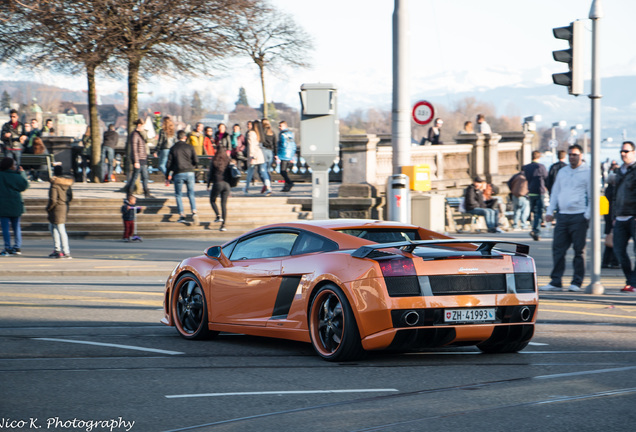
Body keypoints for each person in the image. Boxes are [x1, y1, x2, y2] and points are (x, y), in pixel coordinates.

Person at [540, 144, 590, 292]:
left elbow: (593, 195)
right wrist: (550, 211)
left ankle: (577, 281)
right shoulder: (563, 171)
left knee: (578, 250)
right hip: (563, 215)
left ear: (581, 155)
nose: (572, 157)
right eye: (570, 154)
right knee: (558, 249)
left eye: (575, 154)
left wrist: (587, 215)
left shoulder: (588, 172)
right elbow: (555, 193)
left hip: (579, 215)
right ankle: (556, 281)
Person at [611, 141, 636, 293]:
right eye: (621, 151)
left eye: (626, 151)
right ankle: (630, 280)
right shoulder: (620, 171)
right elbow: (614, 195)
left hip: (634, 216)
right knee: (619, 251)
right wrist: (614, 215)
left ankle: (633, 282)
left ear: (634, 152)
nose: (623, 154)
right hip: (620, 217)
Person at [166, 130, 198, 223]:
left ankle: (182, 214)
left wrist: (167, 175)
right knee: (191, 193)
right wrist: (191, 167)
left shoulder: (173, 148)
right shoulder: (190, 147)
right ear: (185, 137)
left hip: (178, 173)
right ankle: (194, 211)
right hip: (190, 172)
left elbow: (169, 164)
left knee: (178, 195)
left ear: (177, 137)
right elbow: (196, 160)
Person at [0, 157, 29, 256]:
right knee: (16, 227)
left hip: (2, 205)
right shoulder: (16, 176)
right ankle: (17, 247)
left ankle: (7, 247)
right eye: (14, 164)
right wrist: (23, 173)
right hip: (15, 204)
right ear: (11, 166)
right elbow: (24, 186)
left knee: (5, 228)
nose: (16, 166)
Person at [46, 164, 74, 259]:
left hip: (56, 208)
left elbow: (53, 199)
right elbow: (70, 197)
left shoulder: (54, 184)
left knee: (57, 229)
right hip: (64, 207)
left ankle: (63, 250)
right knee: (59, 229)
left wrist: (49, 208)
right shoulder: (67, 184)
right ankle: (62, 250)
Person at [125, 119, 155, 199]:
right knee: (135, 176)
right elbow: (134, 148)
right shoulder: (134, 134)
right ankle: (129, 193)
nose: (144, 127)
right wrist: (136, 161)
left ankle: (146, 193)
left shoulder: (141, 134)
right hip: (138, 159)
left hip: (143, 158)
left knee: (145, 176)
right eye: (143, 125)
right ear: (139, 125)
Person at [523, 150, 548, 241]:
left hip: (531, 190)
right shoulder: (541, 166)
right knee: (539, 211)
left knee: (533, 211)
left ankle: (533, 226)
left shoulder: (526, 167)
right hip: (539, 191)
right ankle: (536, 230)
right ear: (539, 157)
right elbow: (546, 177)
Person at [207, 145, 231, 232]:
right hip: (226, 184)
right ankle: (223, 225)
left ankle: (218, 216)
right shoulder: (228, 160)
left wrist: (208, 184)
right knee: (223, 205)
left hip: (218, 183)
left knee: (212, 200)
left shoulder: (214, 160)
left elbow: (210, 174)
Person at [243, 120, 271, 195]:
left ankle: (246, 188)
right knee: (263, 172)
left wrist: (252, 156)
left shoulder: (251, 133)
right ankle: (268, 187)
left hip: (253, 156)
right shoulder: (259, 133)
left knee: (250, 172)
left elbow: (251, 146)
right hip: (260, 155)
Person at [602, 172, 620, 269]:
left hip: (608, 218)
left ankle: (605, 262)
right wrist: (615, 218)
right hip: (613, 218)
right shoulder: (614, 191)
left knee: (609, 241)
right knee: (615, 241)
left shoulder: (607, 190)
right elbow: (614, 206)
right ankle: (615, 261)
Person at [276, 120, 296, 192]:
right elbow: (293, 145)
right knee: (285, 171)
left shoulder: (282, 134)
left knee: (282, 171)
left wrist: (278, 154)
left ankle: (289, 183)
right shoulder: (291, 134)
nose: (279, 127)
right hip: (290, 154)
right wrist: (292, 154)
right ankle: (286, 186)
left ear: (285, 126)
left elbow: (283, 145)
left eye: (280, 126)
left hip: (284, 154)